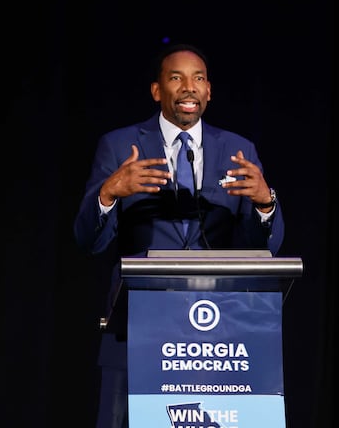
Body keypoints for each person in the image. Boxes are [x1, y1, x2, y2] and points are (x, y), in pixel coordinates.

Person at [73, 42, 285, 428]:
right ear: (158, 91)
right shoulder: (121, 145)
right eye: (177, 78)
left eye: (198, 79)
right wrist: (108, 194)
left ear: (209, 91)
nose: (189, 87)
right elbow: (88, 240)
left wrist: (265, 203)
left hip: (217, 342)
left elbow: (268, 249)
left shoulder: (239, 149)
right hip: (134, 338)